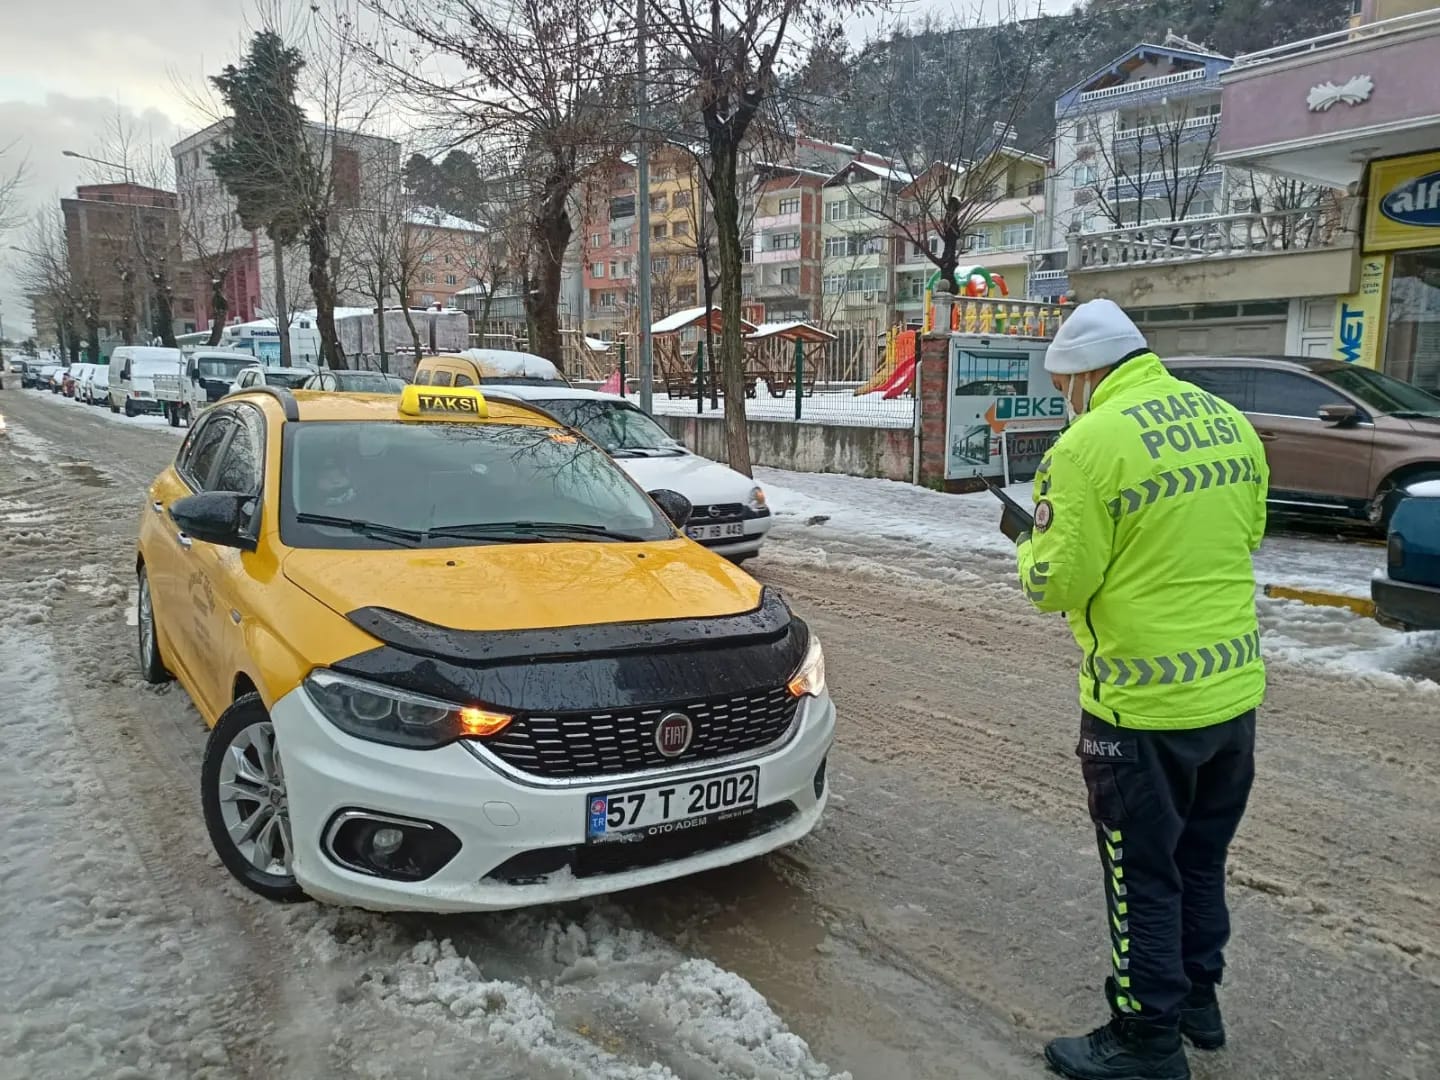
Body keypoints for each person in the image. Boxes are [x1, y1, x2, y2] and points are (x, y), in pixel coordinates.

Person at [1013, 299, 1269, 1080]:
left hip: (1139, 706)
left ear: (1088, 373)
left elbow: (1059, 581)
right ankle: (1199, 1002)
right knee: (1199, 860)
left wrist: (1029, 548)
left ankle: (1145, 1038)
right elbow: (1248, 532)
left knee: (1141, 874)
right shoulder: (1230, 423)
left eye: (1066, 383)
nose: (1066, 395)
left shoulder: (1087, 445)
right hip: (1232, 694)